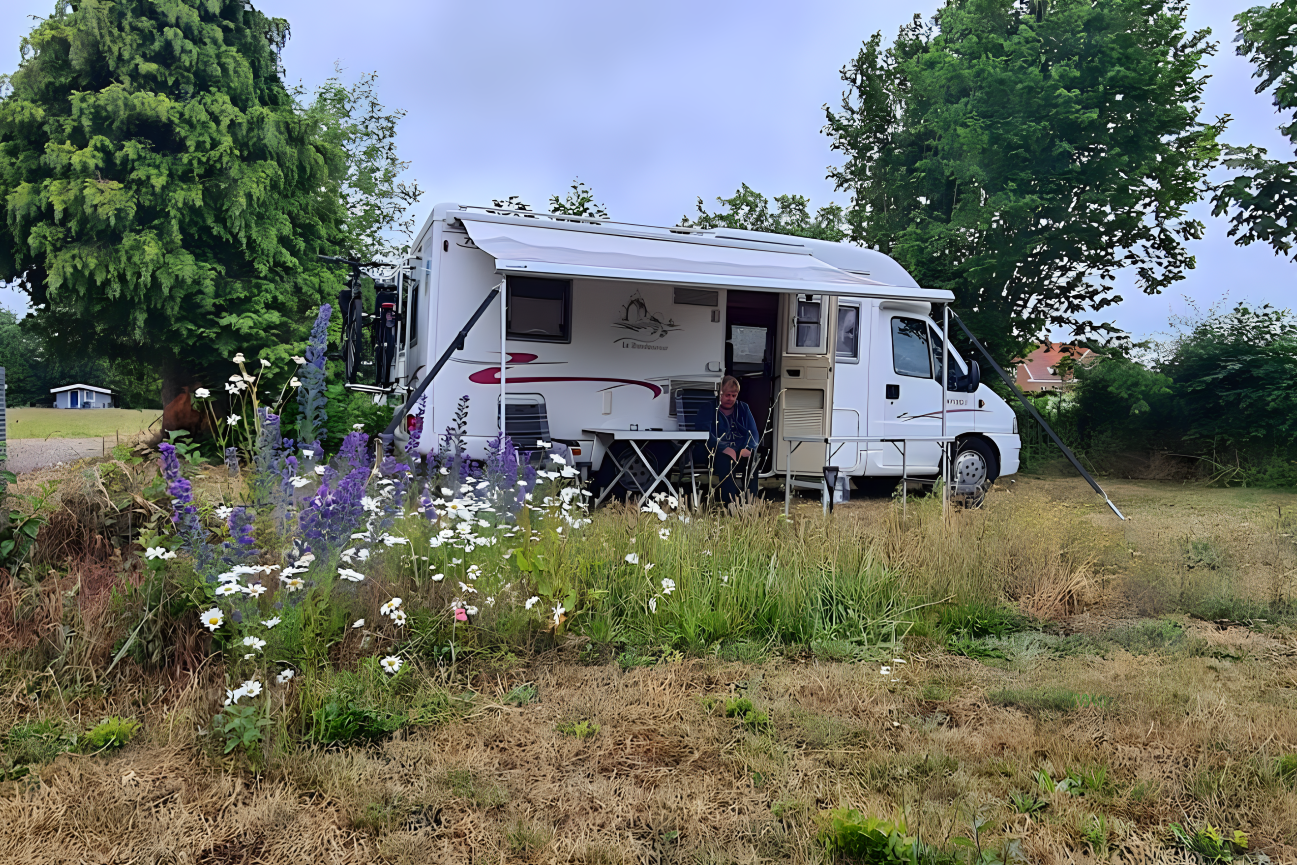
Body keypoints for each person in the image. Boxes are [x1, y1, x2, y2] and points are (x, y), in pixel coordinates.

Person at [706, 376, 761, 504]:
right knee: (726, 461)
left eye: (733, 395)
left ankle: (750, 503)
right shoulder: (708, 408)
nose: (730, 398)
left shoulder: (743, 408)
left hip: (740, 449)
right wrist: (723, 448)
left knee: (753, 459)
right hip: (715, 453)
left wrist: (748, 448)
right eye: (727, 395)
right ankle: (730, 504)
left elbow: (753, 432)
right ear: (719, 393)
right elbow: (704, 433)